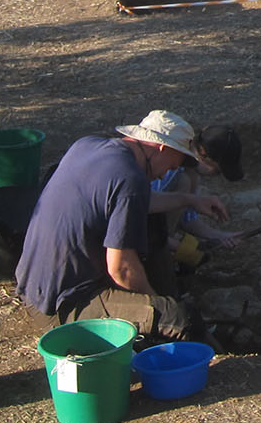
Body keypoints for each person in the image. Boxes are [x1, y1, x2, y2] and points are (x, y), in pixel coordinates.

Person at [15, 111, 229, 339]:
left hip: (34, 286)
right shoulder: (130, 179)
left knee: (152, 222)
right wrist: (155, 302)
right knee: (179, 318)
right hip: (63, 306)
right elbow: (121, 269)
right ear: (162, 149)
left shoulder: (87, 145)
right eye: (170, 166)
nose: (163, 175)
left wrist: (190, 201)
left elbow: (136, 201)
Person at [146, 125, 245, 295]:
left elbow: (186, 218)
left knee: (187, 180)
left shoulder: (190, 173)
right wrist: (180, 249)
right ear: (203, 153)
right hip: (137, 238)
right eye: (217, 170)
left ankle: (164, 253)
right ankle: (155, 263)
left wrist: (220, 236)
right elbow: (138, 223)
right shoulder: (169, 171)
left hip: (155, 232)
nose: (217, 175)